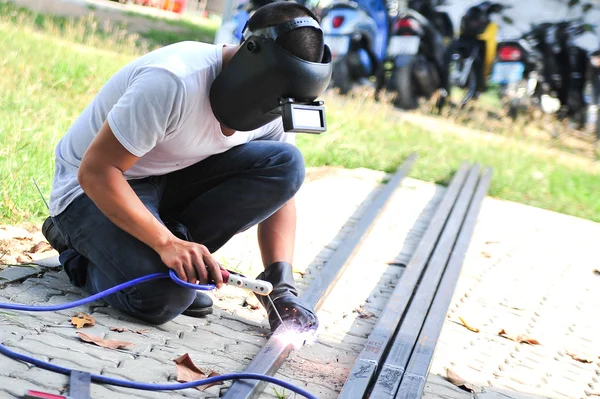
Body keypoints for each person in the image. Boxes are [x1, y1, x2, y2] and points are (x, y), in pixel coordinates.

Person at [41, 1, 332, 333]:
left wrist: (282, 289)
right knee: (162, 297)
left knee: (287, 163)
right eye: (272, 98)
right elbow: (96, 171)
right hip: (91, 190)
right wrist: (166, 244)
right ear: (250, 54)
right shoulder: (174, 79)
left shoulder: (278, 98)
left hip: (167, 181)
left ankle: (165, 264)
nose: (270, 111)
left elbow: (281, 195)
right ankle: (77, 251)